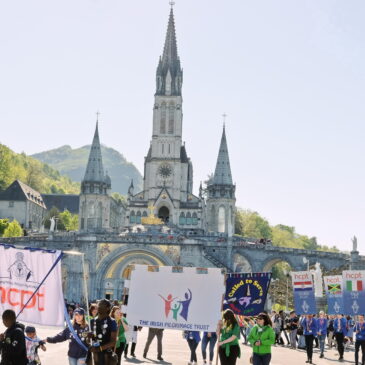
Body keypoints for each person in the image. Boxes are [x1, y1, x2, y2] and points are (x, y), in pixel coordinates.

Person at [89, 299, 117, 365]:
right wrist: (89, 337)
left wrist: (100, 348)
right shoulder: (92, 321)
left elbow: (113, 342)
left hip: (106, 356)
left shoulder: (112, 322)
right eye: (98, 305)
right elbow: (89, 340)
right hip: (95, 356)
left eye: (101, 305)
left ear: (107, 308)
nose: (98, 307)